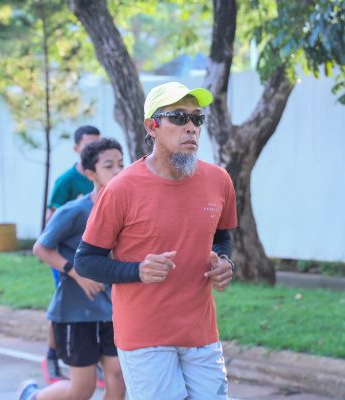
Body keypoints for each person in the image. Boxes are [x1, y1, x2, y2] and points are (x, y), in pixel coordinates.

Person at [73, 81, 237, 400]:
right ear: (153, 126)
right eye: (179, 117)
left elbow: (222, 235)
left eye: (197, 118)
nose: (190, 127)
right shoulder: (121, 189)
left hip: (201, 333)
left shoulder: (219, 180)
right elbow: (85, 261)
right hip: (145, 338)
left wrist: (224, 260)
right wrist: (137, 271)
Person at [18, 138, 126, 400]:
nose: (118, 171)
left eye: (121, 164)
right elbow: (41, 248)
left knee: (119, 377)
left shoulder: (127, 209)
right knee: (83, 388)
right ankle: (32, 396)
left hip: (113, 310)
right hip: (76, 313)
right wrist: (78, 275)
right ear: (91, 174)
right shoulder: (75, 211)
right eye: (109, 166)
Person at [42, 125, 101, 384]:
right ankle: (52, 355)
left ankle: (97, 360)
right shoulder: (67, 182)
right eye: (88, 145)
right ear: (76, 148)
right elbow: (52, 219)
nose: (93, 150)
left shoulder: (109, 179)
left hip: (96, 262)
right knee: (67, 305)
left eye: (97, 145)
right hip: (68, 259)